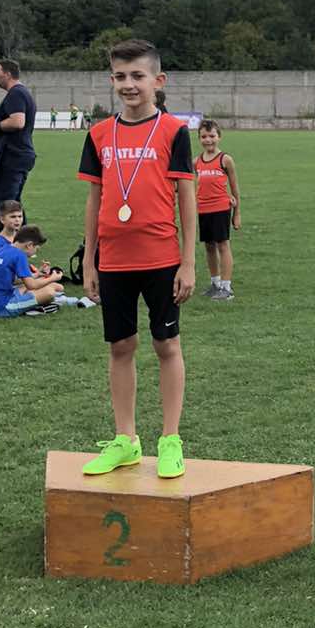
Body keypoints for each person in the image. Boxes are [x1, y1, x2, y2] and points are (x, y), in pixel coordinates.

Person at [77, 38, 197, 480]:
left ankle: (170, 439)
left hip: (161, 257)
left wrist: (188, 262)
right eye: (120, 76)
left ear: (157, 81)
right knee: (120, 346)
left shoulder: (173, 131)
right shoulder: (99, 134)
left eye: (138, 76)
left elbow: (187, 198)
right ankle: (126, 439)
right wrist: (90, 260)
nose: (129, 84)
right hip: (114, 261)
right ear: (111, 80)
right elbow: (94, 198)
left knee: (167, 345)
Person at [0, 221, 88, 317]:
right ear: (29, 245)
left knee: (57, 287)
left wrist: (37, 274)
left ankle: (53, 299)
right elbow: (31, 285)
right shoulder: (19, 255)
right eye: (36, 249)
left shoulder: (5, 249)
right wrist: (53, 278)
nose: (35, 253)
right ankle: (50, 302)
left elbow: (13, 281)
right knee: (49, 292)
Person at [0, 59, 37, 211]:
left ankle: (10, 228)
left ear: (8, 74)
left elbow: (17, 122)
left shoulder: (16, 93)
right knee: (13, 206)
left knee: (4, 205)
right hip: (19, 155)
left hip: (13, 156)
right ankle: (21, 228)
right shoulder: (21, 92)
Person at [195, 119, 240, 300]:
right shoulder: (196, 161)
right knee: (209, 246)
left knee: (222, 244)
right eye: (204, 136)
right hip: (203, 209)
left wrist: (237, 214)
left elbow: (234, 188)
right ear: (199, 139)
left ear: (219, 137)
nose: (208, 140)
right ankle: (215, 283)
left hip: (221, 208)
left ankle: (226, 288)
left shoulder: (225, 160)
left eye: (212, 136)